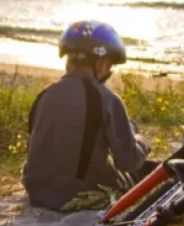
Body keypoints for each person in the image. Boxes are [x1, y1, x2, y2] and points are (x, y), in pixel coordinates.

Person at [21, 20, 158, 211]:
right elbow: (128, 162)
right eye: (110, 66)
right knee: (150, 168)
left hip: (37, 195)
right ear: (102, 64)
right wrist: (142, 141)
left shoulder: (44, 94)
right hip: (82, 197)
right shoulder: (106, 98)